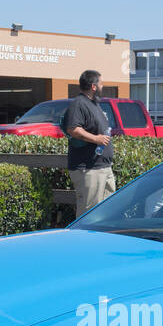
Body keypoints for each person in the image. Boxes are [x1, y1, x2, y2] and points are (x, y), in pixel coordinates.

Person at [63, 69, 116, 220]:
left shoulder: (94, 104)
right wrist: (96, 139)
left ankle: (101, 243)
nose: (102, 86)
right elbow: (73, 129)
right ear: (93, 86)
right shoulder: (79, 104)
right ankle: (81, 243)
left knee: (107, 213)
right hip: (88, 169)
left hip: (103, 167)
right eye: (101, 83)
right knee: (89, 214)